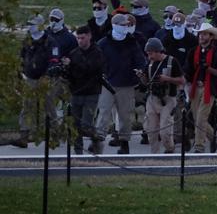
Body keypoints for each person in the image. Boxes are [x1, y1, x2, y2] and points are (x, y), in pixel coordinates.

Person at [95, 13, 146, 154]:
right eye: (123, 25)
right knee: (103, 113)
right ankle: (98, 141)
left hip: (127, 84)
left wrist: (140, 70)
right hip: (107, 84)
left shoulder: (132, 42)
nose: (126, 27)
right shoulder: (103, 43)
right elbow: (96, 62)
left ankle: (124, 143)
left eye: (127, 25)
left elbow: (141, 60)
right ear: (115, 25)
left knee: (125, 115)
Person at [13, 15, 60, 148]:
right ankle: (24, 136)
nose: (29, 26)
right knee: (27, 106)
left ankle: (54, 135)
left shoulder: (50, 42)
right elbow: (21, 57)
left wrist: (46, 76)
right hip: (30, 78)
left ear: (40, 25)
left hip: (46, 79)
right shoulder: (27, 41)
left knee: (49, 107)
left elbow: (54, 60)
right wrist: (21, 72)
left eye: (32, 24)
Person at [183, 22, 217, 153]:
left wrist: (209, 69)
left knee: (201, 117)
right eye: (200, 34)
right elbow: (188, 69)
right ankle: (212, 136)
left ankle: (199, 146)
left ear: (211, 36)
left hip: (209, 88)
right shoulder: (193, 52)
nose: (201, 36)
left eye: (204, 34)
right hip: (195, 88)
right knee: (197, 118)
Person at [63, 26, 105, 154]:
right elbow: (70, 74)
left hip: (91, 92)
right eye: (78, 38)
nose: (80, 41)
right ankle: (78, 152)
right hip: (76, 92)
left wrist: (72, 64)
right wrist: (65, 69)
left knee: (85, 125)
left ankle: (96, 138)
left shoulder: (97, 52)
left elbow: (91, 69)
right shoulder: (74, 53)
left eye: (82, 38)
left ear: (89, 36)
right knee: (75, 125)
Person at [138, 37, 184, 153]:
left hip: (168, 98)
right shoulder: (149, 63)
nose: (149, 57)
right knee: (151, 130)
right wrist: (142, 77)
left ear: (159, 51)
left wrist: (167, 79)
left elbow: (181, 80)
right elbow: (146, 82)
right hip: (152, 98)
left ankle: (169, 150)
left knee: (165, 131)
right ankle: (154, 155)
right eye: (148, 54)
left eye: (151, 53)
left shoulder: (172, 61)